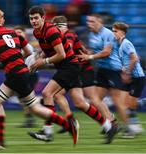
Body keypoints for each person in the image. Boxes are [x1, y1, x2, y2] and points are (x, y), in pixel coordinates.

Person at [0, 7, 79, 150]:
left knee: (1, 101)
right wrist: (15, 55)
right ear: (3, 20)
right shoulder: (14, 33)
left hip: (15, 74)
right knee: (31, 107)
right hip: (22, 72)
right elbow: (28, 51)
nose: (33, 21)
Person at [28, 6, 118, 144]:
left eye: (36, 18)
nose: (33, 21)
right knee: (80, 103)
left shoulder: (51, 31)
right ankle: (108, 126)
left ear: (43, 18)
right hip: (70, 67)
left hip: (69, 66)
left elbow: (61, 54)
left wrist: (43, 62)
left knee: (47, 93)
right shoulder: (37, 32)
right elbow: (47, 50)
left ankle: (48, 132)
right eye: (31, 18)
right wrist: (37, 59)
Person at [77, 13, 129, 132]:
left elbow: (106, 52)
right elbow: (94, 50)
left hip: (114, 70)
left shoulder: (108, 34)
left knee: (117, 102)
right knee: (95, 100)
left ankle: (128, 129)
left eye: (92, 22)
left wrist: (89, 57)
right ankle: (112, 122)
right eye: (88, 22)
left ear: (100, 22)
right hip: (102, 70)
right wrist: (85, 52)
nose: (89, 24)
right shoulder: (91, 34)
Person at [112, 22, 145, 137]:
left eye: (115, 31)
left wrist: (127, 73)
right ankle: (132, 128)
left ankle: (132, 129)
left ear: (122, 32)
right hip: (129, 77)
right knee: (122, 104)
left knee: (130, 105)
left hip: (136, 77)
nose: (113, 33)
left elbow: (135, 58)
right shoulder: (119, 45)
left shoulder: (126, 43)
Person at [14, 25, 36, 128]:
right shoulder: (16, 46)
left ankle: (31, 118)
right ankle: (29, 118)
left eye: (20, 32)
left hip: (29, 74)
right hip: (22, 75)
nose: (18, 34)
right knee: (22, 97)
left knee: (26, 98)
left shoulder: (26, 46)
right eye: (16, 32)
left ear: (25, 34)